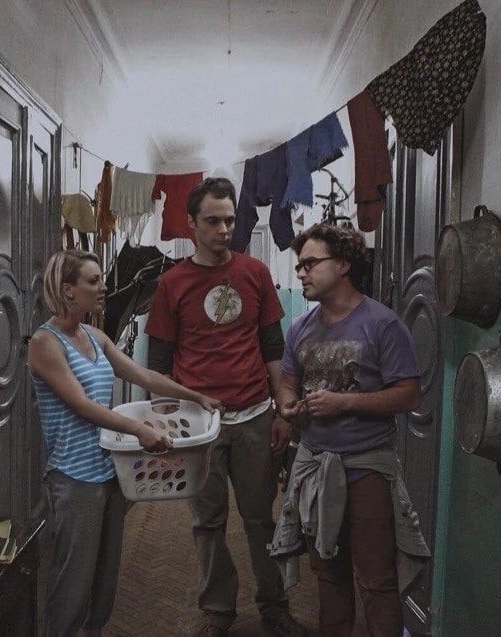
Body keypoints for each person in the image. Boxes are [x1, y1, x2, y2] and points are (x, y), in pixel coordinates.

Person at [28, 249, 222, 637]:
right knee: (72, 586)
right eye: (93, 281)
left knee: (102, 587)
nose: (104, 287)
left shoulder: (95, 336)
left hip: (109, 471)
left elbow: (145, 376)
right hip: (74, 478)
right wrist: (140, 431)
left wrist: (196, 396)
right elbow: (82, 406)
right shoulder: (45, 343)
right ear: (68, 290)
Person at [145, 177, 307, 637]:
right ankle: (217, 608)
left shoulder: (254, 273)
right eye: (213, 221)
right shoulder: (172, 284)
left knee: (261, 519)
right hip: (198, 424)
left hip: (254, 414)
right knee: (207, 520)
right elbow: (159, 363)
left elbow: (272, 347)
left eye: (230, 221)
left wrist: (281, 411)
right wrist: (166, 424)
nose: (223, 230)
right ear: (191, 224)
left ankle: (274, 604)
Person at [270, 223, 430, 637]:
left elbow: (409, 395)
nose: (301, 272)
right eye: (299, 265)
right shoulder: (300, 328)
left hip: (366, 468)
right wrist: (287, 405)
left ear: (342, 265)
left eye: (310, 264)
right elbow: (288, 383)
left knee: (377, 580)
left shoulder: (382, 324)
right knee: (329, 576)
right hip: (315, 467)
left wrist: (344, 403)